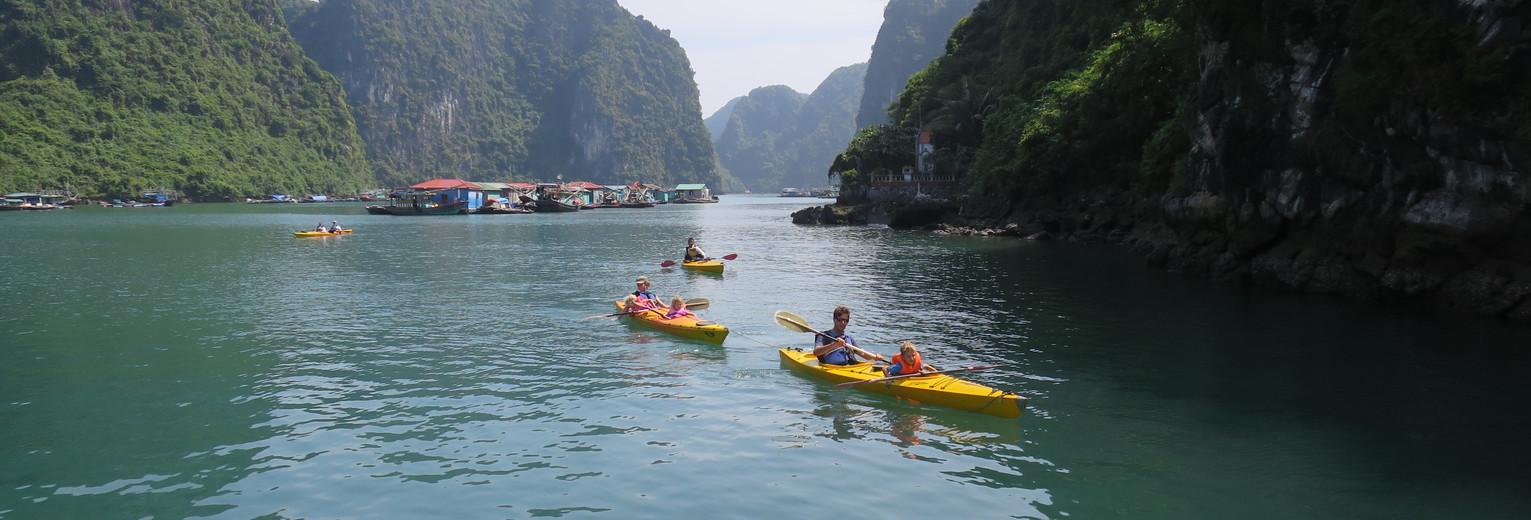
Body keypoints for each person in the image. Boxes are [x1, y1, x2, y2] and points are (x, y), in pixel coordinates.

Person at [812, 306, 886, 366]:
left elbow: (863, 354)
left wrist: (875, 356)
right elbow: (816, 352)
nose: (843, 323)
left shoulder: (848, 338)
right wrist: (834, 344)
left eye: (846, 320)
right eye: (840, 320)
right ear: (834, 319)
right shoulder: (824, 336)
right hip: (830, 368)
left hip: (847, 367)